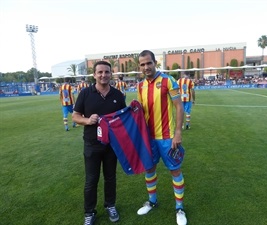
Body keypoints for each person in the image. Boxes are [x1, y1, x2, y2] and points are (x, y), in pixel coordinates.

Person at [136, 50, 187, 225]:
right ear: (140, 66)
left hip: (167, 137)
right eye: (142, 64)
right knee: (149, 170)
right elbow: (141, 112)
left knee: (175, 171)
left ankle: (179, 208)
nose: (146, 67)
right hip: (148, 138)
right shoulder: (140, 86)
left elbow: (179, 107)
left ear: (154, 63)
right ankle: (152, 201)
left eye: (148, 63)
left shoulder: (168, 80)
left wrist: (178, 133)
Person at [72, 61, 126, 225]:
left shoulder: (117, 95)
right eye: (100, 72)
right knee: (91, 180)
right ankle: (89, 212)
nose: (103, 75)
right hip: (92, 144)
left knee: (110, 178)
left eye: (107, 72)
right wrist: (88, 120)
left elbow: (123, 117)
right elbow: (75, 116)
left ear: (111, 74)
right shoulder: (85, 94)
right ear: (94, 75)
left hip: (111, 145)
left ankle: (110, 205)